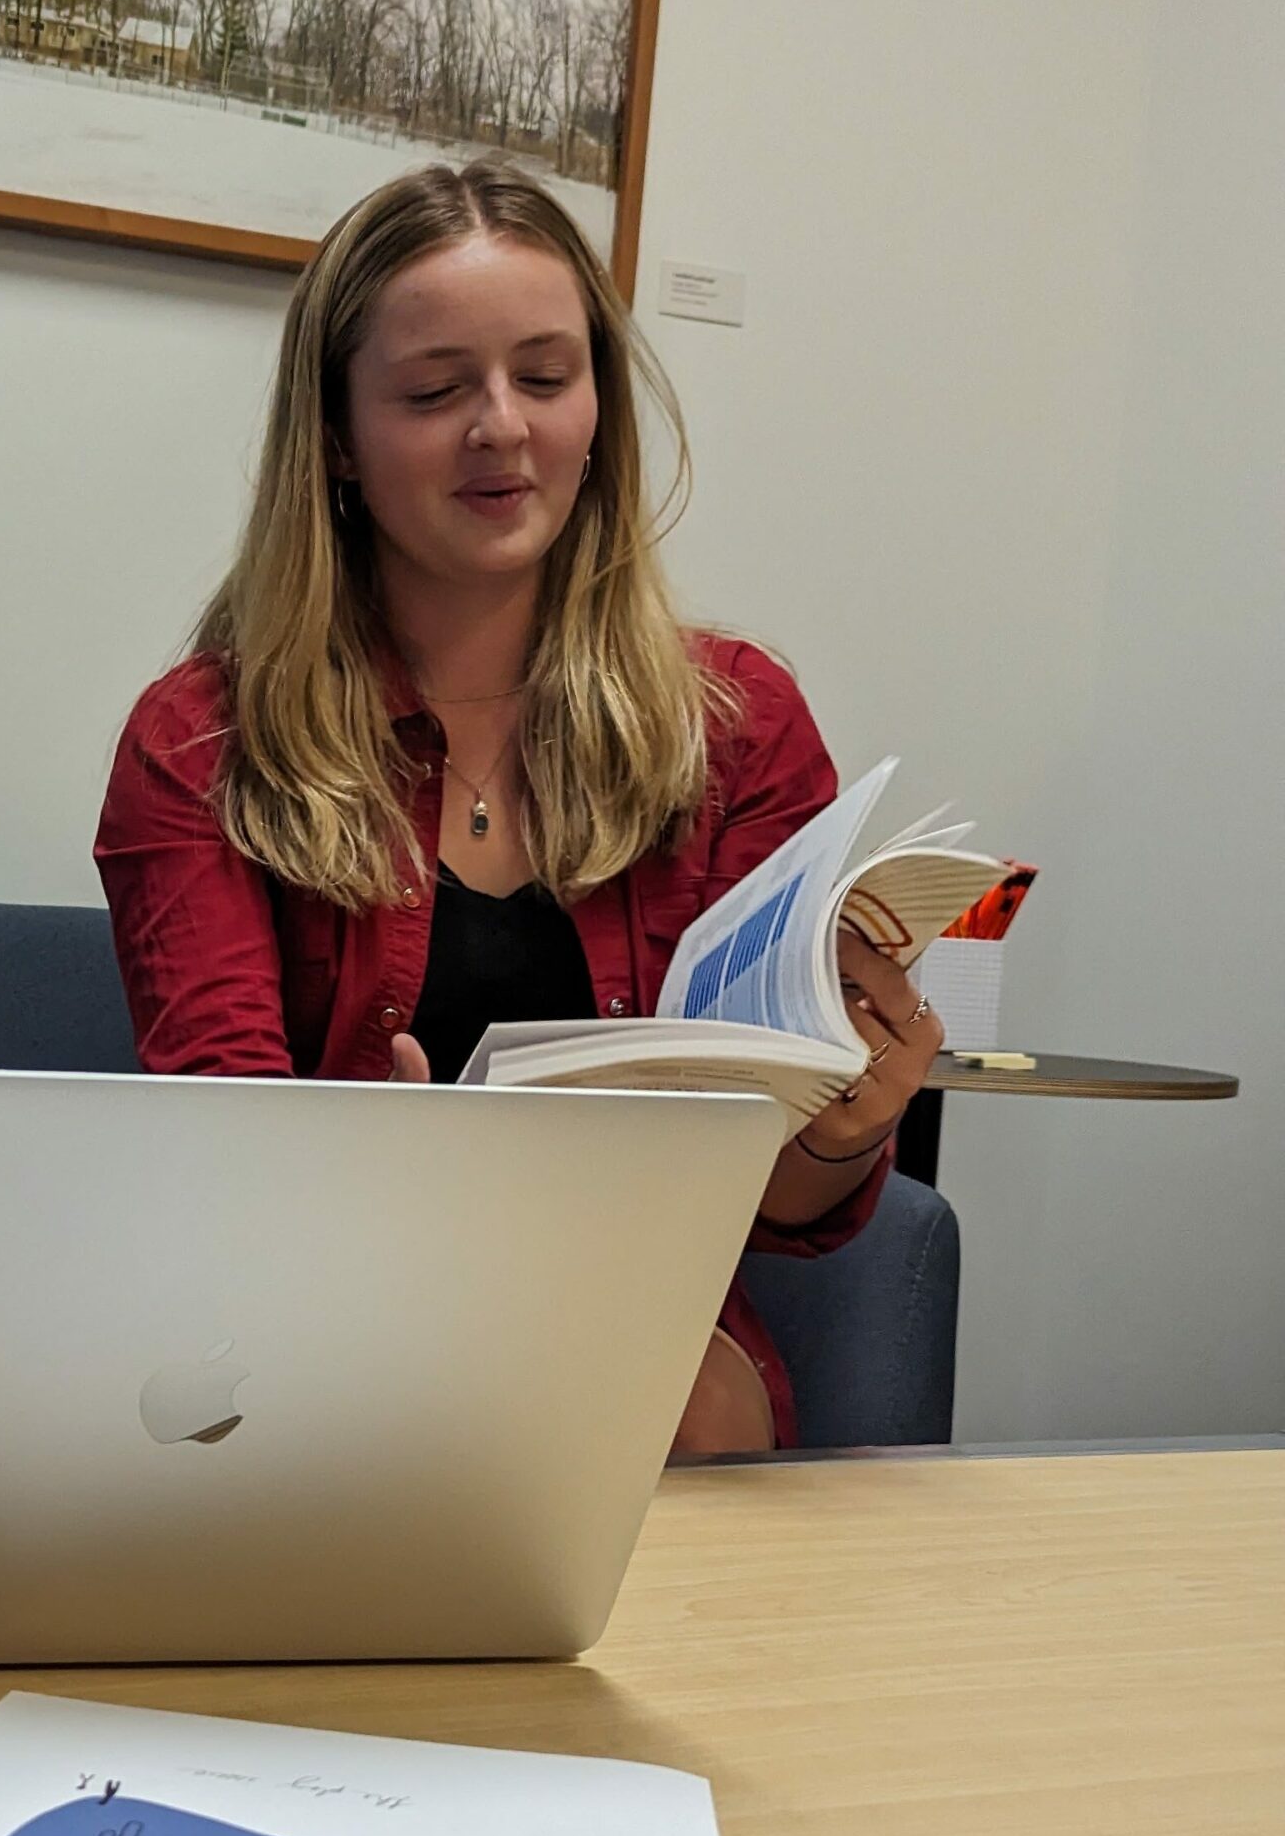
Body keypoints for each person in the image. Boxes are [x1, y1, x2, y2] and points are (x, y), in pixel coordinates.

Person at [93, 159, 937, 1454]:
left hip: (634, 1360)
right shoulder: (204, 741)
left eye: (546, 378)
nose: (503, 426)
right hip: (301, 1344)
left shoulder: (737, 725)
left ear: (598, 407)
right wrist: (354, 1183)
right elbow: (221, 1162)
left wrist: (846, 1129)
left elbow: (778, 1205)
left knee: (695, 1406)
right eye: (436, 391)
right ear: (334, 435)